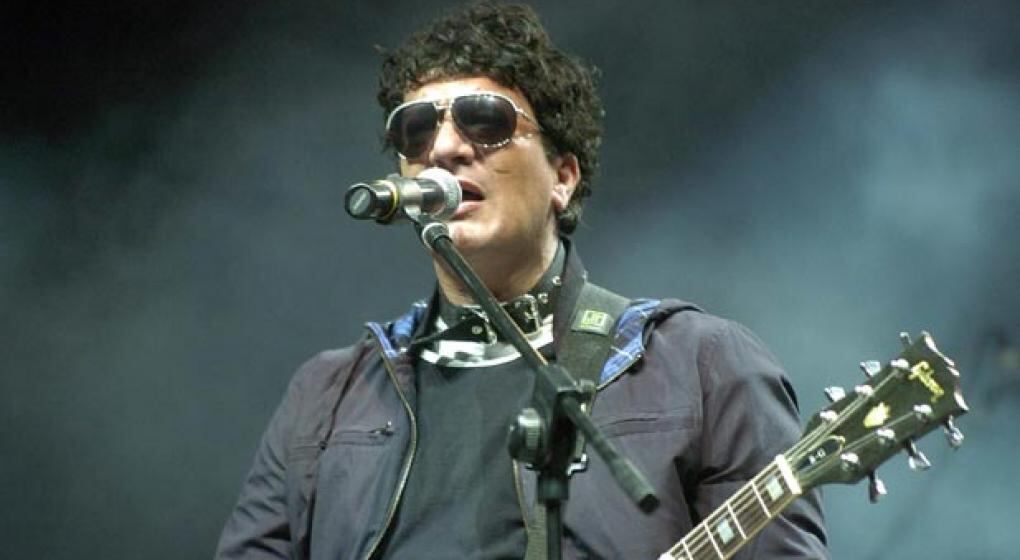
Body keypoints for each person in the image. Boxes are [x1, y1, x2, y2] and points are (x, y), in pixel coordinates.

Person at [215, 2, 828, 559]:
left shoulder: (701, 365)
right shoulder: (325, 396)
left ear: (562, 177)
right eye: (416, 130)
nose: (444, 148)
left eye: (484, 121)